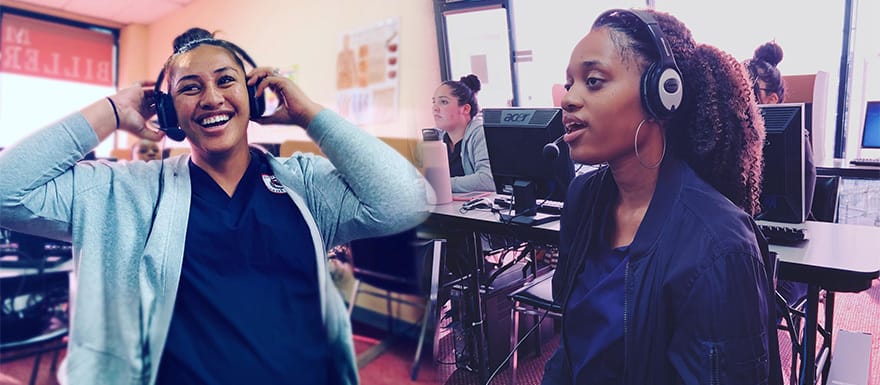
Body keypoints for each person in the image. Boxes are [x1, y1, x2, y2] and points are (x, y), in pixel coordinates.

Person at [0, 27, 427, 385]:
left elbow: (404, 201)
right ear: (170, 114)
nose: (211, 98)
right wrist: (111, 111)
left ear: (253, 97)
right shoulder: (126, 190)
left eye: (226, 80)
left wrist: (308, 113)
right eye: (189, 88)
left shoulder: (305, 183)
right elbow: (6, 192)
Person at [542, 9, 781, 384]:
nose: (569, 98)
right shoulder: (584, 197)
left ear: (662, 95)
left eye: (593, 80)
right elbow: (568, 349)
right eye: (569, 83)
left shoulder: (719, 244)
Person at [745, 41, 818, 313]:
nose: (743, 98)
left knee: (757, 304)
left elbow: (796, 209)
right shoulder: (730, 142)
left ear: (772, 100)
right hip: (745, 246)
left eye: (751, 91)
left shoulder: (796, 142)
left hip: (787, 257)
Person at [432, 74, 495, 193]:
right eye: (434, 102)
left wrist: (441, 184)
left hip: (475, 209)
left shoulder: (480, 133)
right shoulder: (436, 137)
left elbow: (488, 180)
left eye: (443, 102)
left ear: (466, 109)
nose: (435, 108)